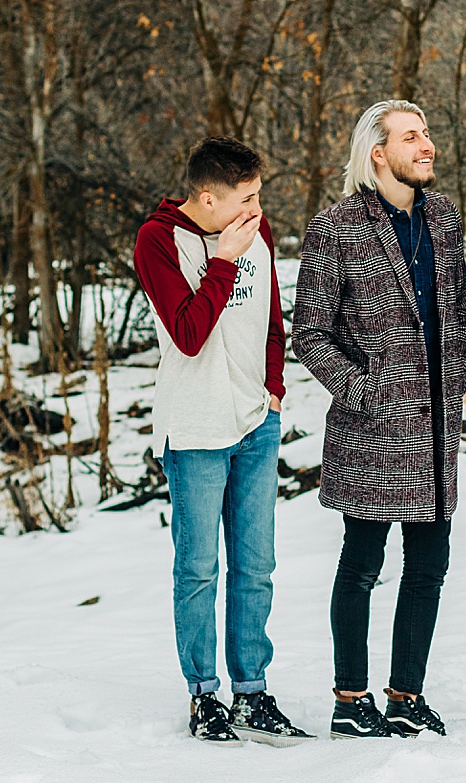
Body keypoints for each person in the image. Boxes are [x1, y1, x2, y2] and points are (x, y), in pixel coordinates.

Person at [292, 101, 466, 741]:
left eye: (427, 134)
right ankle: (350, 700)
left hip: (435, 428)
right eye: (412, 137)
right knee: (362, 565)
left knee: (430, 566)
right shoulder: (336, 228)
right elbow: (309, 330)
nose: (427, 146)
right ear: (377, 152)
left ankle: (406, 696)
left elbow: (457, 308)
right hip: (370, 428)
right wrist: (362, 388)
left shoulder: (445, 219)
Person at [134, 136, 313, 745]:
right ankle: (204, 695)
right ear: (207, 198)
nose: (256, 209)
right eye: (246, 199)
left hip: (256, 423)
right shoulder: (159, 241)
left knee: (256, 566)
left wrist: (274, 388)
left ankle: (252, 692)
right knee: (199, 569)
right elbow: (187, 333)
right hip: (195, 427)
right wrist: (223, 261)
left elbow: (269, 320)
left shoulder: (254, 232)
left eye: (259, 196)